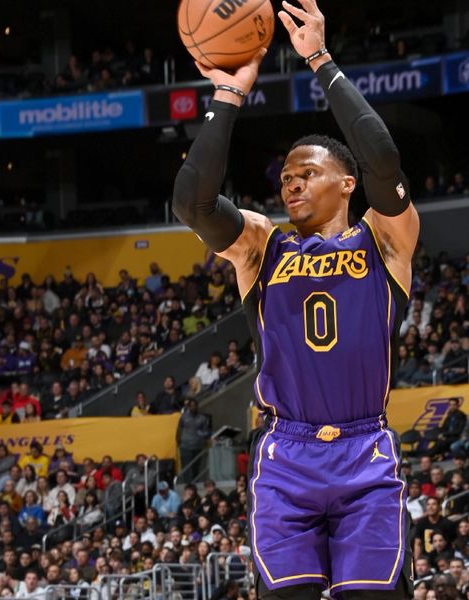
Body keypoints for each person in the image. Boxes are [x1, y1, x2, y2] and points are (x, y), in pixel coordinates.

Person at [171, 1, 419, 597]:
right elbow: (192, 205)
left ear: (347, 183)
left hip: (366, 450)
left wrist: (321, 60)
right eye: (285, 177)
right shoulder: (262, 245)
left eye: (306, 173)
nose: (291, 183)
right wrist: (229, 95)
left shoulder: (385, 239)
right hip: (287, 454)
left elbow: (383, 157)